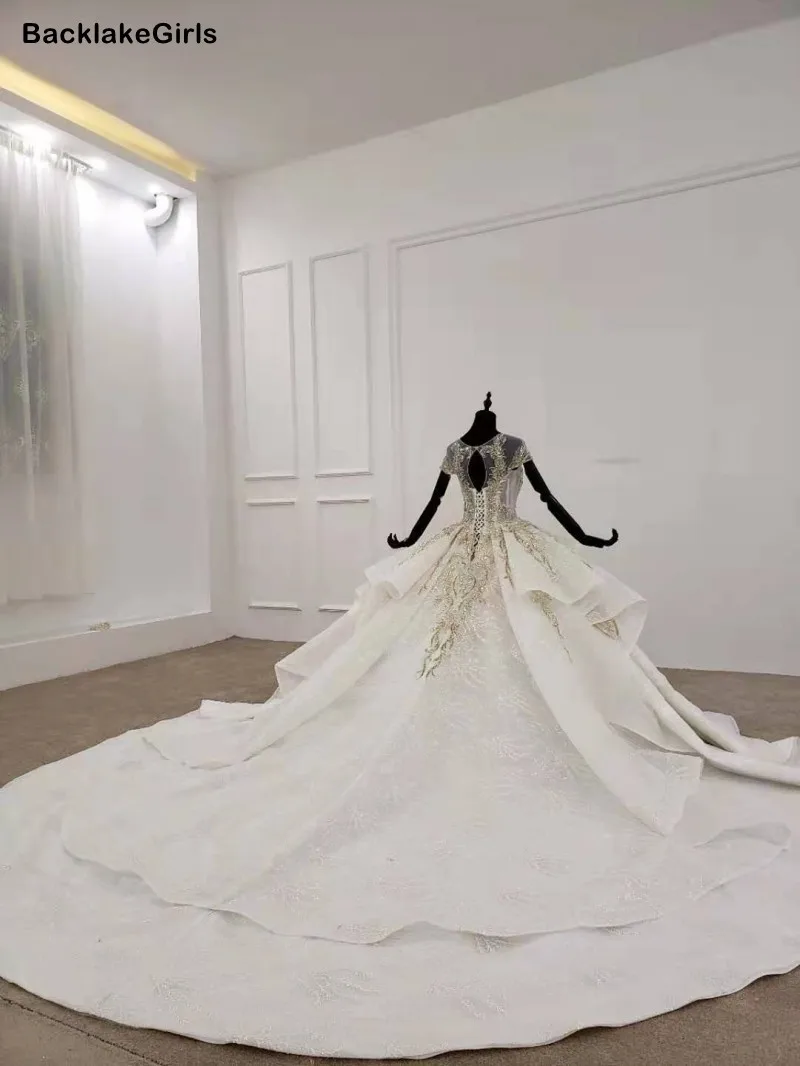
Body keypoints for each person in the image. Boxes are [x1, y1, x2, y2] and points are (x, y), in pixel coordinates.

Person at [1, 394, 799, 1058]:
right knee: (419, 658)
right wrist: (416, 539)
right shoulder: (473, 447)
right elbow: (441, 504)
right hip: (469, 553)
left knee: (526, 651)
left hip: (496, 554)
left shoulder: (501, 445)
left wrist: (578, 536)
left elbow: (535, 499)